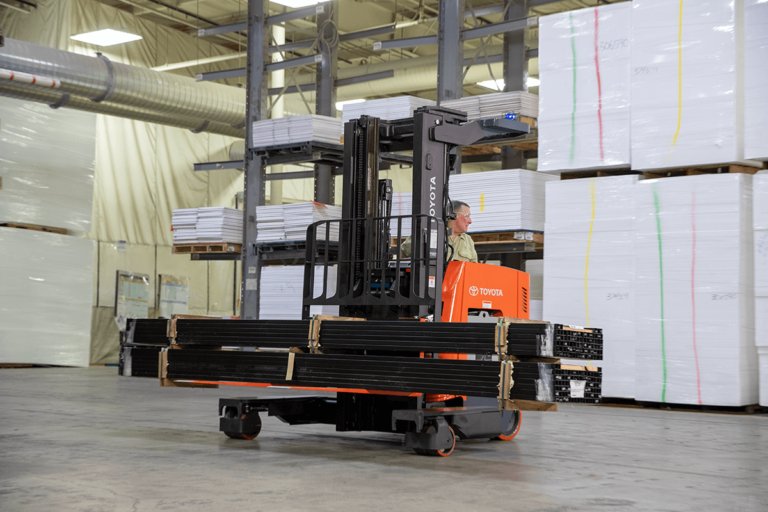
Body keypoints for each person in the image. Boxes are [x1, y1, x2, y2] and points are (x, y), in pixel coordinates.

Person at [398, 200, 478, 263]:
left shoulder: (468, 240)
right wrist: (424, 236)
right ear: (453, 215)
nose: (470, 221)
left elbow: (474, 268)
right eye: (467, 216)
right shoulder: (431, 233)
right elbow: (404, 252)